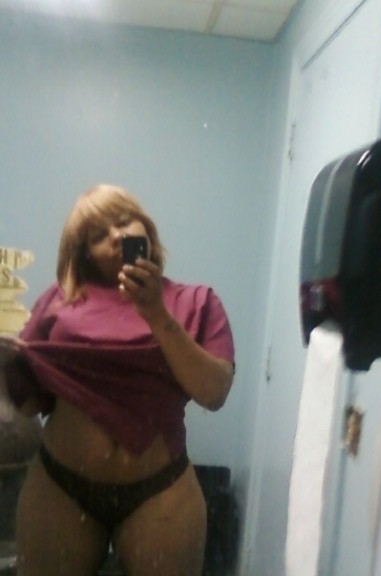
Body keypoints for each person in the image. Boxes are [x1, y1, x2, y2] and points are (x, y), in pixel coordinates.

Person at [0, 184, 235, 576]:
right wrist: (7, 366)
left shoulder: (196, 301)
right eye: (98, 235)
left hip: (161, 490)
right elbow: (29, 405)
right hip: (61, 485)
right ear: (84, 253)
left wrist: (155, 312)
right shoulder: (58, 301)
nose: (116, 235)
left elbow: (213, 392)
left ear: (146, 228)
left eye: (125, 221)